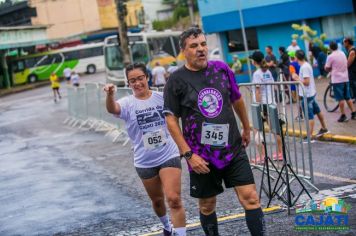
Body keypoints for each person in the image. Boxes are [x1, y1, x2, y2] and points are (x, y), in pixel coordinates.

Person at [164, 27, 266, 236]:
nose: (201, 49)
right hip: (201, 157)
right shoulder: (176, 80)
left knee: (251, 197)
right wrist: (189, 155)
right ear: (184, 51)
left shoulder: (221, 69)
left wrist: (246, 127)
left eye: (203, 44)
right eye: (194, 46)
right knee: (207, 205)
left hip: (233, 147)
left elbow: (236, 100)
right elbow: (171, 120)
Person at [104, 63, 187, 236]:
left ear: (147, 77)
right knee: (157, 201)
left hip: (168, 154)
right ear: (128, 83)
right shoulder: (127, 103)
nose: (137, 83)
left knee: (174, 199)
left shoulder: (161, 98)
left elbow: (177, 116)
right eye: (132, 80)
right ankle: (166, 226)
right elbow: (113, 108)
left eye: (140, 78)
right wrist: (110, 95)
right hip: (144, 160)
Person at [250, 51, 283, 162]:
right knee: (275, 129)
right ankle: (280, 153)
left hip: (262, 104)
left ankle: (262, 156)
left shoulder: (257, 73)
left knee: (256, 130)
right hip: (271, 103)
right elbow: (273, 87)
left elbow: (258, 92)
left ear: (254, 61)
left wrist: (258, 108)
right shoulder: (268, 71)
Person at [292, 50, 329, 142]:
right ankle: (324, 128)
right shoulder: (306, 65)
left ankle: (310, 136)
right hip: (311, 93)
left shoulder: (304, 67)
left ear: (296, 57)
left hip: (307, 95)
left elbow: (306, 82)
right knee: (317, 110)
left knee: (309, 116)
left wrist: (297, 79)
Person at [324, 41, 356, 122]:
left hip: (337, 80)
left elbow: (327, 68)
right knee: (348, 97)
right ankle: (354, 113)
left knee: (340, 98)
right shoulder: (342, 53)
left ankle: (343, 115)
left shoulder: (330, 56)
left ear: (330, 48)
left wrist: (329, 67)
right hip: (345, 78)